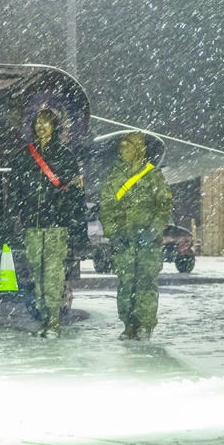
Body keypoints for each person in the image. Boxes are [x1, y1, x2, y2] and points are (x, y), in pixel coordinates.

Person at [9, 108, 84, 338]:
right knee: (37, 274)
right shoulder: (24, 156)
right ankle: (43, 317)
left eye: (46, 123)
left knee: (52, 274)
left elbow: (75, 195)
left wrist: (72, 221)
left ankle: (53, 321)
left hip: (55, 226)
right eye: (38, 123)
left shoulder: (65, 156)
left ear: (54, 127)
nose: (41, 127)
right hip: (33, 226)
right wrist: (17, 215)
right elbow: (15, 191)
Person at [99, 132, 172, 341]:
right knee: (126, 284)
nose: (123, 149)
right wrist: (114, 234)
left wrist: (153, 231)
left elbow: (164, 207)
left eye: (128, 145)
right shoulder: (114, 176)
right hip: (124, 240)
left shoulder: (152, 175)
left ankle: (145, 326)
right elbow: (106, 208)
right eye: (121, 146)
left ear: (139, 149)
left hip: (147, 241)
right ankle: (129, 325)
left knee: (146, 284)